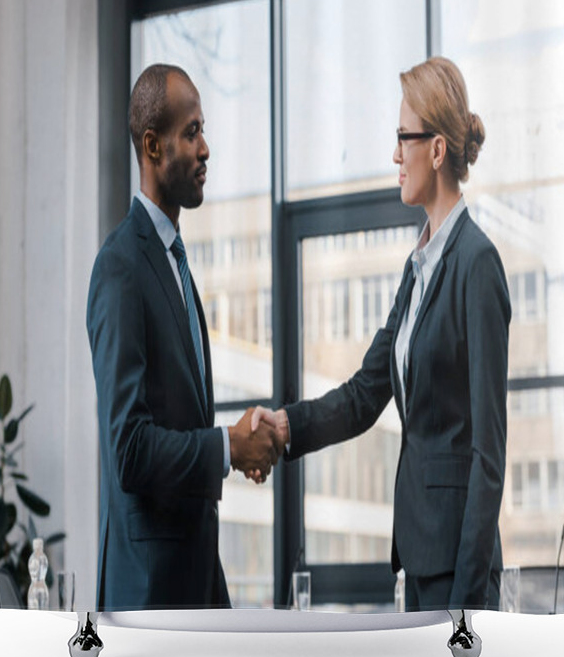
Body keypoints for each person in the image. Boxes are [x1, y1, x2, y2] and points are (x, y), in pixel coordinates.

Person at [252, 56, 511, 611]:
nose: (395, 155)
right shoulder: (416, 269)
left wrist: (466, 600)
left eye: (403, 138)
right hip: (417, 559)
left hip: (459, 573)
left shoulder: (477, 263)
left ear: (436, 150)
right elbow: (364, 395)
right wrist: (284, 427)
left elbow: (489, 452)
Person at [86, 64, 281, 611]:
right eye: (191, 132)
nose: (206, 149)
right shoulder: (120, 267)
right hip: (149, 596)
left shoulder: (175, 262)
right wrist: (226, 447)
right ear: (153, 146)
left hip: (195, 584)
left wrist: (235, 449)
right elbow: (128, 451)